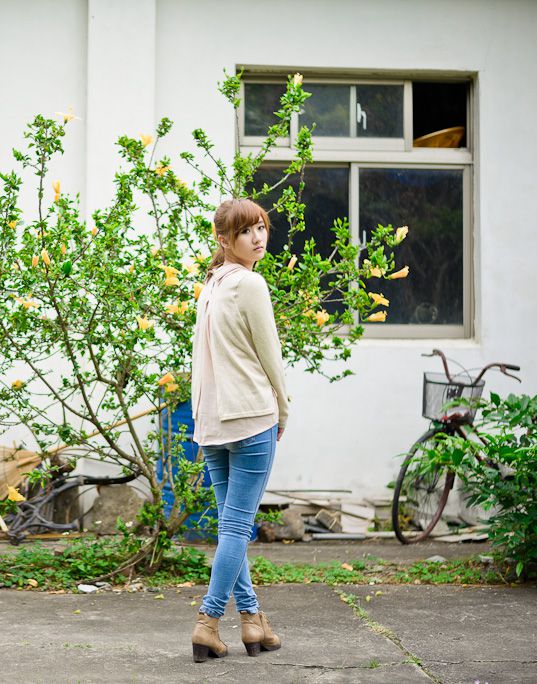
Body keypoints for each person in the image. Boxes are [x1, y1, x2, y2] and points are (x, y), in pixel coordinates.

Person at [189, 198, 290, 662]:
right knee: (235, 527)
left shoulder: (210, 285)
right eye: (247, 231)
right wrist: (283, 408)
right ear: (223, 240)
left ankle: (252, 622)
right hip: (250, 417)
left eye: (262, 228)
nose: (258, 237)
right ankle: (208, 622)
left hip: (212, 422)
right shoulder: (250, 283)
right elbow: (270, 356)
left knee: (232, 526)